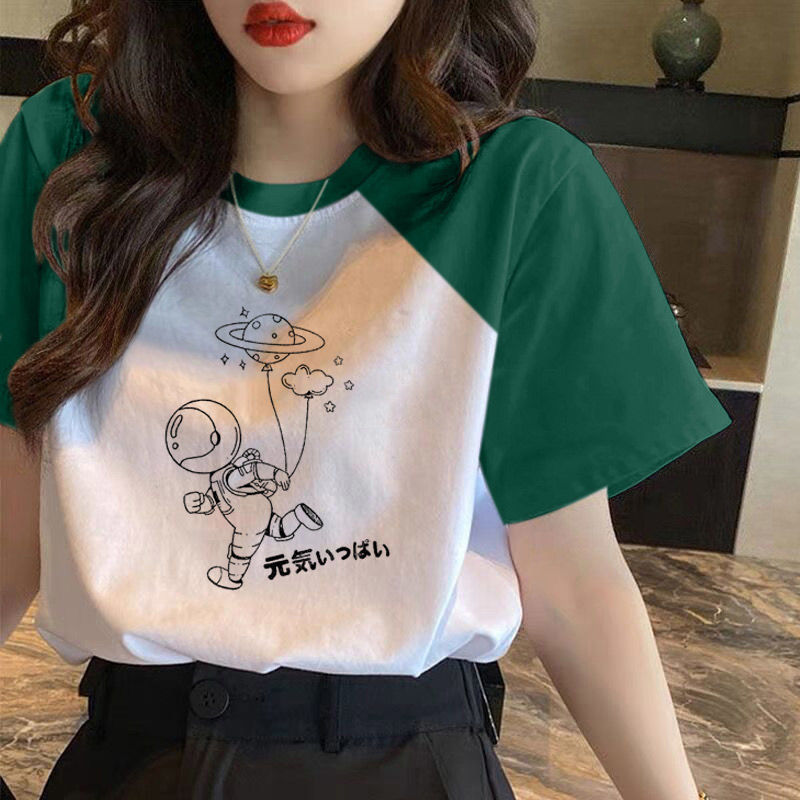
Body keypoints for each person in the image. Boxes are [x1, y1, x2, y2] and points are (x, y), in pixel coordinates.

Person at [0, 1, 729, 798]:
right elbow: (11, 513)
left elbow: (574, 581)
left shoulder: (514, 186)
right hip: (131, 761)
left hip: (406, 762)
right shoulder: (75, 156)